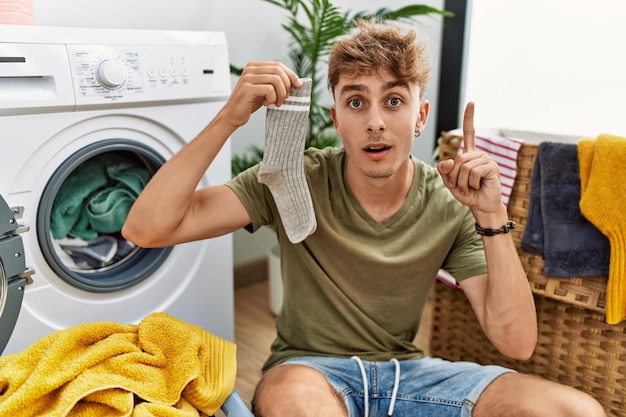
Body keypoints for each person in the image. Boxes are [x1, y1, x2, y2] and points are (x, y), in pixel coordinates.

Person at [122, 19, 606, 417]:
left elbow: (516, 343)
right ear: (337, 120)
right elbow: (145, 228)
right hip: (310, 374)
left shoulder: (451, 203)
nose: (375, 120)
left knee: (575, 411)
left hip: (411, 379)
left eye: (394, 101)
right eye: (356, 101)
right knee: (292, 398)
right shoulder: (291, 179)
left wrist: (493, 216)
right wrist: (229, 116)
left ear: (420, 117)